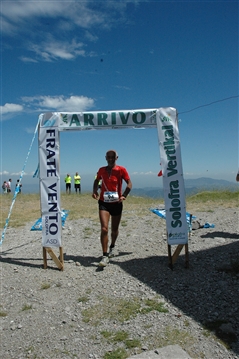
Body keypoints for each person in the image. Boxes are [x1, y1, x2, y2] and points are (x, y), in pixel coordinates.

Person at [92, 149, 132, 267]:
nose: (110, 159)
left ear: (116, 158)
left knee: (114, 229)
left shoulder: (121, 170)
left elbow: (129, 183)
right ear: (105, 158)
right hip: (104, 202)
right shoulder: (101, 170)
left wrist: (124, 195)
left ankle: (112, 246)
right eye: (109, 157)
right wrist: (95, 190)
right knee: (104, 228)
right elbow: (96, 180)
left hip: (116, 203)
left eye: (113, 157)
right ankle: (104, 256)